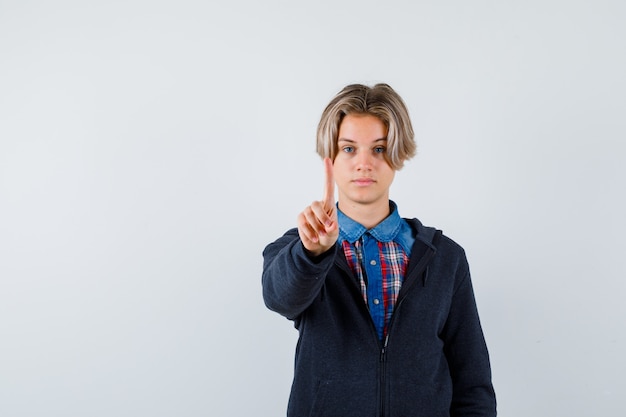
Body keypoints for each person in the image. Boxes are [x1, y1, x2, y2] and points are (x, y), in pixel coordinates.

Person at [262, 83, 496, 417]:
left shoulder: (445, 257)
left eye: (379, 149)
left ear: (398, 154)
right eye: (348, 149)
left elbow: (472, 383)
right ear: (329, 156)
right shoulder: (298, 248)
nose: (364, 164)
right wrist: (312, 254)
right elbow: (279, 297)